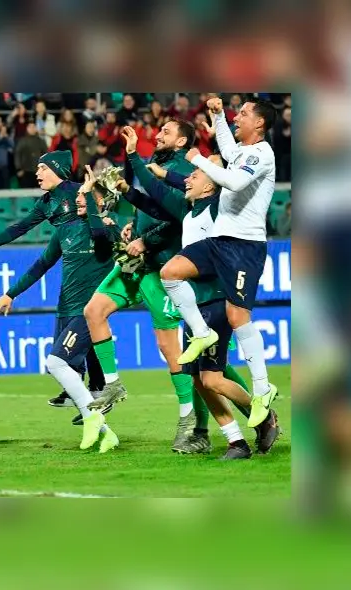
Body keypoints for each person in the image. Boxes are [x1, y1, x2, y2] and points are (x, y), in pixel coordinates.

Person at [124, 136, 281, 458]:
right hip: (195, 304)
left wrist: (137, 159)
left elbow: (167, 189)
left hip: (217, 300)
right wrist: (123, 192)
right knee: (200, 378)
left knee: (212, 379)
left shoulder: (219, 209)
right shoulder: (189, 211)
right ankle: (236, 440)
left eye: (195, 177)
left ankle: (263, 417)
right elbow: (154, 202)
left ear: (211, 186)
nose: (189, 179)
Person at [83, 118, 204, 453]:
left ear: (181, 142)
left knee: (170, 349)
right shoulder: (153, 168)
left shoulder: (185, 173)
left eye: (167, 132)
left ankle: (187, 421)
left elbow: (176, 219)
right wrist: (132, 229)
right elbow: (147, 208)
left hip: (164, 266)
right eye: (160, 130)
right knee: (94, 311)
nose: (159, 134)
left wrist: (146, 242)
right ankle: (112, 385)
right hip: (137, 261)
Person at [161, 97, 279, 428]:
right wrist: (218, 115)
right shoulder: (242, 152)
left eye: (243, 114)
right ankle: (201, 331)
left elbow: (234, 181)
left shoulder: (262, 154)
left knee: (237, 315)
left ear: (260, 123)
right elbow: (227, 150)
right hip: (221, 242)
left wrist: (198, 158)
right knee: (170, 272)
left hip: (245, 245)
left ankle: (262, 388)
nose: (237, 117)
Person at [0, 165, 120, 452]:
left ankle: (94, 415)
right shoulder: (65, 230)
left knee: (56, 363)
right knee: (62, 367)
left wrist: (90, 199)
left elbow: (100, 237)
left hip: (91, 312)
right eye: (77, 196)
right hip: (68, 309)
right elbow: (40, 265)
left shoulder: (107, 229)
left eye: (84, 196)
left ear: (98, 202)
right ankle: (103, 428)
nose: (78, 199)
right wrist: (10, 294)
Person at [0, 150, 106, 400]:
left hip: (92, 261)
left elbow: (103, 213)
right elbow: (17, 229)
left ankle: (98, 387)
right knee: (74, 319)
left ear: (57, 169)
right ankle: (84, 387)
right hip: (69, 255)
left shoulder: (79, 191)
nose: (37, 173)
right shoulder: (46, 203)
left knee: (85, 320)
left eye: (43, 168)